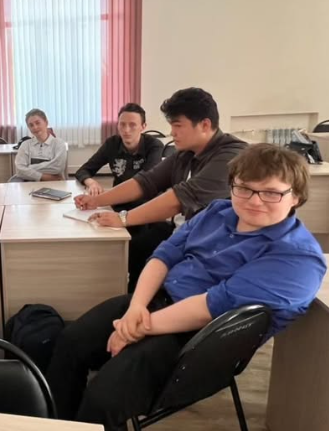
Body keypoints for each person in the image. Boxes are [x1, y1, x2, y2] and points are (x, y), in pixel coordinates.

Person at [47, 143, 327, 431]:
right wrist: (136, 308)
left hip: (204, 339)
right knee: (70, 343)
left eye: (271, 193)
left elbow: (214, 305)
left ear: (296, 196)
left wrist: (135, 328)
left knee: (105, 396)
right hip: (157, 304)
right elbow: (164, 255)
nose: (254, 200)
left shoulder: (297, 257)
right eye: (244, 188)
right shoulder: (217, 211)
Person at [75, 88, 247, 290]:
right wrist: (96, 200)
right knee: (128, 251)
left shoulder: (232, 155)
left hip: (212, 246)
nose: (172, 133)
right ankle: (132, 295)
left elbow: (179, 199)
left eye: (177, 126)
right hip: (183, 231)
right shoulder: (186, 152)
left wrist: (123, 218)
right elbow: (146, 181)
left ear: (205, 125)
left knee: (144, 255)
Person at [74, 103, 163, 210]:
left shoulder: (154, 146)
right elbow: (83, 170)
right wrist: (92, 183)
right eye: (122, 124)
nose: (126, 130)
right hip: (119, 204)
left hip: (146, 205)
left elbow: (144, 182)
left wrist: (97, 200)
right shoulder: (112, 144)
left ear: (143, 126)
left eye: (132, 125)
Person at [10, 108, 68, 182]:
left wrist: (28, 168)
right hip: (30, 184)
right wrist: (43, 177)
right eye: (31, 125)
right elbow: (19, 171)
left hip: (53, 183)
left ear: (46, 122)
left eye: (38, 123)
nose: (35, 127)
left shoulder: (59, 144)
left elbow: (57, 167)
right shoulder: (25, 145)